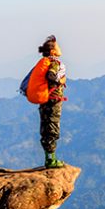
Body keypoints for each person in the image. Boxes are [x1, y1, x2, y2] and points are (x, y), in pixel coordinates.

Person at [37, 35, 67, 168]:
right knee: (52, 128)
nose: (61, 48)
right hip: (53, 101)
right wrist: (60, 81)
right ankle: (51, 160)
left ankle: (49, 158)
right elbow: (51, 75)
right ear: (54, 51)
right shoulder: (54, 63)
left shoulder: (46, 62)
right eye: (58, 46)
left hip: (45, 100)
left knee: (46, 128)